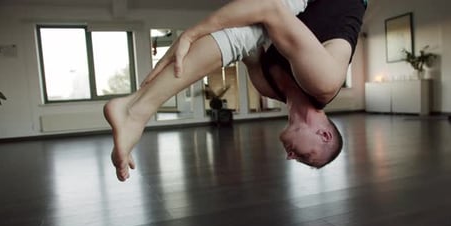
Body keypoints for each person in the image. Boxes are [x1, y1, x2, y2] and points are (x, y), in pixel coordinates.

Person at [104, 0, 367, 181]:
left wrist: (190, 38)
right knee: (263, 18)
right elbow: (270, 9)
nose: (290, 157)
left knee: (249, 31)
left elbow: (237, 38)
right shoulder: (325, 81)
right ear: (324, 134)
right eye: (304, 156)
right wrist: (191, 34)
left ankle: (134, 107)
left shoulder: (266, 86)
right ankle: (136, 111)